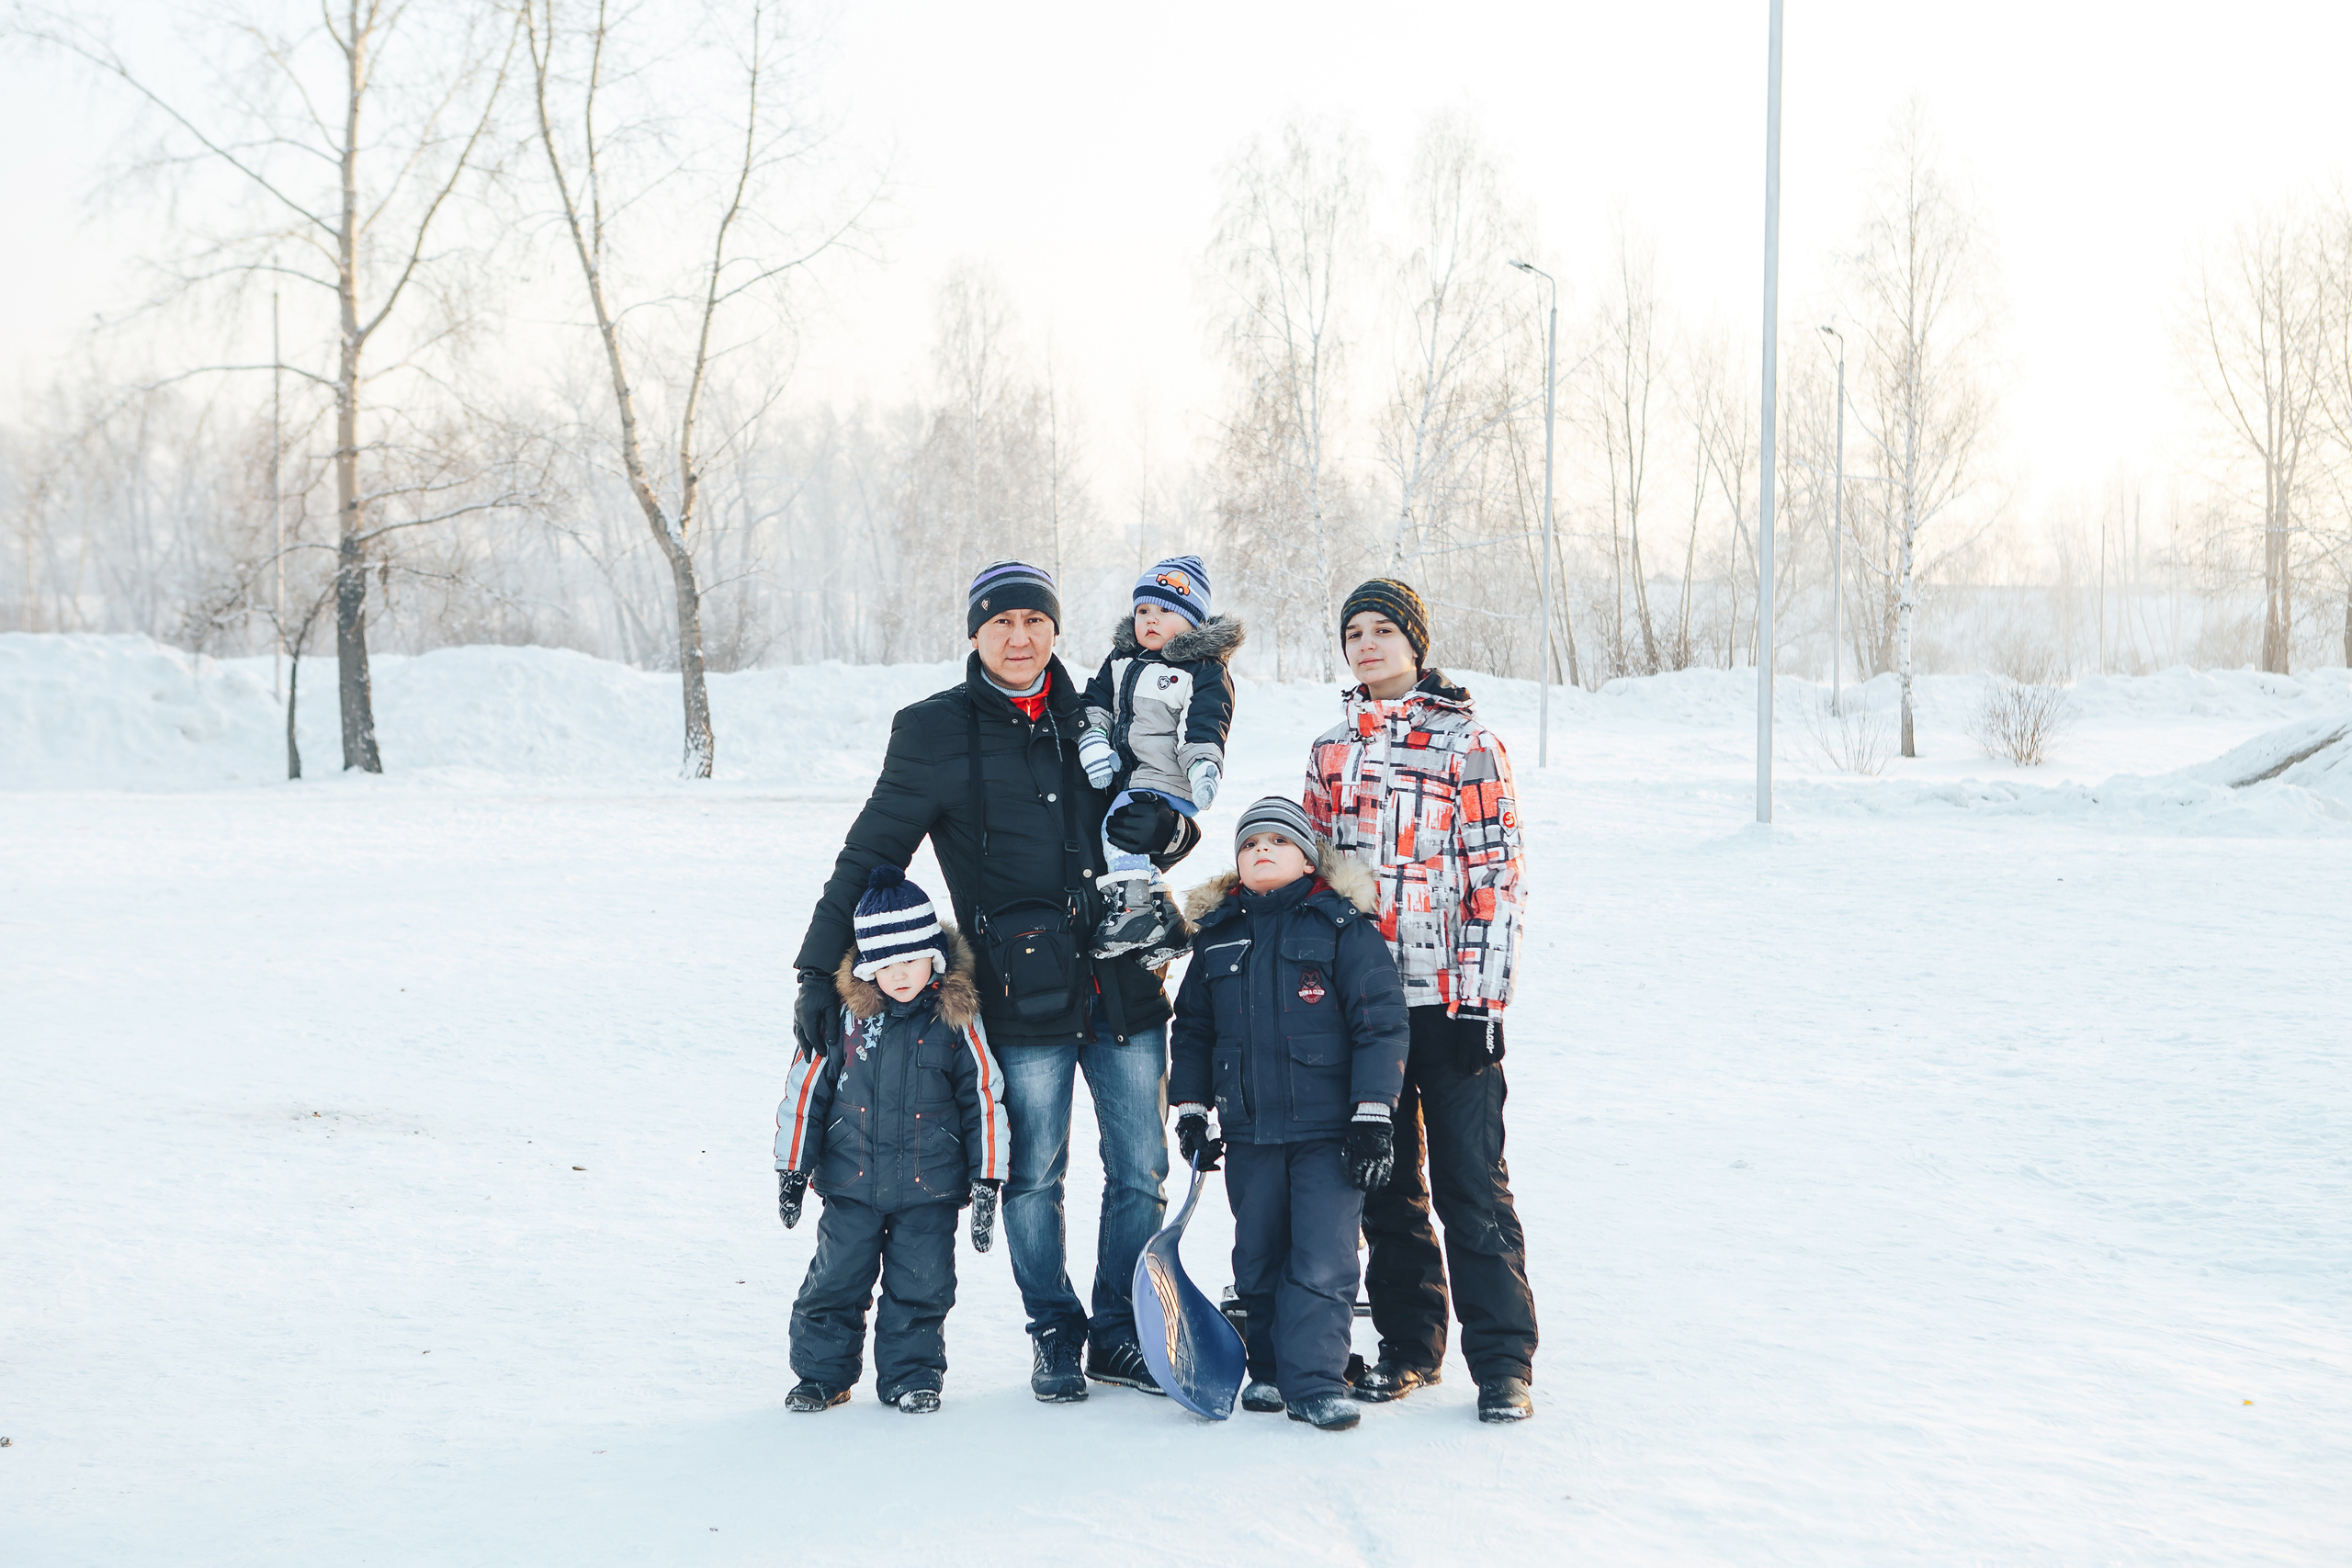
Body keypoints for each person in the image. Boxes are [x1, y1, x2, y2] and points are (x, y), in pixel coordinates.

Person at [792, 559, 1204, 1404]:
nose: (1020, 638)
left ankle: (1119, 1334)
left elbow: (1163, 812)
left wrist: (1169, 826)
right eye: (1001, 622)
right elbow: (870, 855)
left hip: (1124, 978)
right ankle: (1054, 1328)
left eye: (1036, 621)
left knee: (1139, 1169)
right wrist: (817, 969)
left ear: (1057, 631)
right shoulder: (932, 731)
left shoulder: (1099, 710)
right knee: (1032, 1172)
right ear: (975, 633)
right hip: (1020, 995)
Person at [1303, 577, 1538, 1423]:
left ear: (1415, 641)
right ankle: (1409, 1344)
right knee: (1385, 1184)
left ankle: (1504, 1361)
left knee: (1472, 1183)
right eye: (1352, 633)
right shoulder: (1331, 752)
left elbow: (1495, 881)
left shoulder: (1470, 746)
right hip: (1365, 1010)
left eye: (1381, 630)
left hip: (1449, 1004)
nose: (1365, 645)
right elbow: (1314, 881)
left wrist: (1482, 1002)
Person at [1168, 796, 1409, 1431]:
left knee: (1323, 1258)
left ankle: (1317, 1380)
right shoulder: (1218, 936)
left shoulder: (1341, 927)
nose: (1262, 851)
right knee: (1258, 1254)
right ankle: (1271, 1369)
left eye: (1278, 840)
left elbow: (1380, 1025)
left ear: (1307, 856)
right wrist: (1192, 1108)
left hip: (1329, 1133)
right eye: (1250, 844)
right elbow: (1192, 1028)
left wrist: (1371, 1116)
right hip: (1250, 1130)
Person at [775, 865, 1010, 1414]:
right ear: (866, 968)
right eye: (885, 964)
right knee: (835, 1281)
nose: (900, 975)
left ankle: (910, 1376)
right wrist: (792, 1168)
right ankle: (821, 1375)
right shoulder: (843, 1020)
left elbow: (982, 1097)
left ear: (935, 958)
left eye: (912, 960)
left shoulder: (957, 1021)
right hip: (851, 1185)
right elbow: (805, 1092)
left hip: (928, 1190)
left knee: (921, 1286)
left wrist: (986, 1180)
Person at [1079, 554, 1243, 965]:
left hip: (1168, 778)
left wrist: (1204, 767)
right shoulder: (1120, 661)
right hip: (1132, 778)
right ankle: (1167, 922)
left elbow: (1203, 724)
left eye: (1166, 610)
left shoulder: (1200, 669)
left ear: (1192, 620)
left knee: (1118, 832)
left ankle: (1134, 911)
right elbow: (1096, 704)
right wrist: (1093, 742)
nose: (1151, 619)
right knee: (1126, 834)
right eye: (1143, 610)